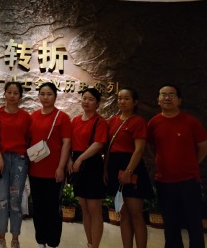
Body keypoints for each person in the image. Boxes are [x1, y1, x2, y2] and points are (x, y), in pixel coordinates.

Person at [148, 84, 207, 248]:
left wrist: (191, 164)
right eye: (163, 94)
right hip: (164, 182)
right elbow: (152, 147)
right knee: (170, 226)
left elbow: (204, 148)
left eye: (171, 94)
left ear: (179, 100)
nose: (167, 97)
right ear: (158, 100)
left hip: (188, 181)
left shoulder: (191, 121)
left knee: (194, 224)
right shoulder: (153, 123)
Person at [105, 88, 152, 248]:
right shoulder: (112, 121)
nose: (122, 102)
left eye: (126, 99)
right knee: (123, 213)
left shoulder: (138, 121)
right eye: (119, 98)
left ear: (135, 102)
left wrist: (128, 171)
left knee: (136, 214)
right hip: (114, 166)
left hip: (132, 167)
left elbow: (139, 150)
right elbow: (108, 148)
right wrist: (105, 169)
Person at [0, 82, 31, 248]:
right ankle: (1, 238)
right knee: (2, 201)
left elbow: (29, 139)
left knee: (15, 201)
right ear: (4, 94)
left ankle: (15, 239)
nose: (12, 96)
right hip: (1, 161)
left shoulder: (26, 117)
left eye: (15, 93)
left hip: (20, 162)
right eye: (9, 92)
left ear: (20, 96)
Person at [28, 82, 71, 248]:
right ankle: (40, 241)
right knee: (38, 208)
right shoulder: (33, 116)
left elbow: (66, 143)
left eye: (49, 94)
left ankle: (52, 242)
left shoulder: (62, 117)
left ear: (55, 96)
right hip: (35, 170)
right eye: (42, 94)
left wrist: (61, 167)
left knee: (53, 208)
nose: (45, 97)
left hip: (54, 171)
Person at [68, 87, 108, 248]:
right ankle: (90, 243)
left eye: (91, 99)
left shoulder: (100, 121)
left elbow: (98, 144)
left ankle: (95, 245)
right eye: (84, 98)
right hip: (78, 165)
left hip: (92, 165)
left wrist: (80, 159)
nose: (86, 102)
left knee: (94, 208)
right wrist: (70, 160)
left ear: (97, 103)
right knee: (84, 207)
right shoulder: (76, 120)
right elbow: (69, 142)